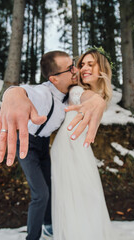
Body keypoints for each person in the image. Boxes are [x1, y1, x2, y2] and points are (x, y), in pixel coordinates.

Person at [0, 50, 107, 240]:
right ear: (53, 79)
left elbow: (82, 95)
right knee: (40, 195)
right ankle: (32, 237)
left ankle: (48, 225)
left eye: (73, 65)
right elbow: (26, 92)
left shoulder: (69, 90)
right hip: (27, 144)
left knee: (50, 187)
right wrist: (13, 93)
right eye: (70, 68)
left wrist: (95, 99)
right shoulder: (44, 93)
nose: (75, 70)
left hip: (45, 145)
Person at [51, 48, 118, 239]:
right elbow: (81, 95)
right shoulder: (77, 90)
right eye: (82, 65)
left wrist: (98, 99)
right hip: (67, 149)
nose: (84, 68)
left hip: (82, 149)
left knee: (89, 196)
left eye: (90, 64)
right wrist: (94, 98)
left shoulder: (100, 97)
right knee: (73, 199)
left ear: (102, 68)